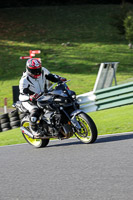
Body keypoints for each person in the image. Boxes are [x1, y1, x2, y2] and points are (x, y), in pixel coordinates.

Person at [19, 58, 66, 137]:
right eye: (34, 70)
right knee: (35, 111)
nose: (37, 72)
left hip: (43, 95)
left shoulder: (43, 71)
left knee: (57, 102)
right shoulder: (24, 80)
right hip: (30, 101)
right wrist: (30, 97)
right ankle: (34, 129)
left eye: (38, 69)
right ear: (28, 69)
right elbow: (21, 95)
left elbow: (51, 76)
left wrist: (59, 78)